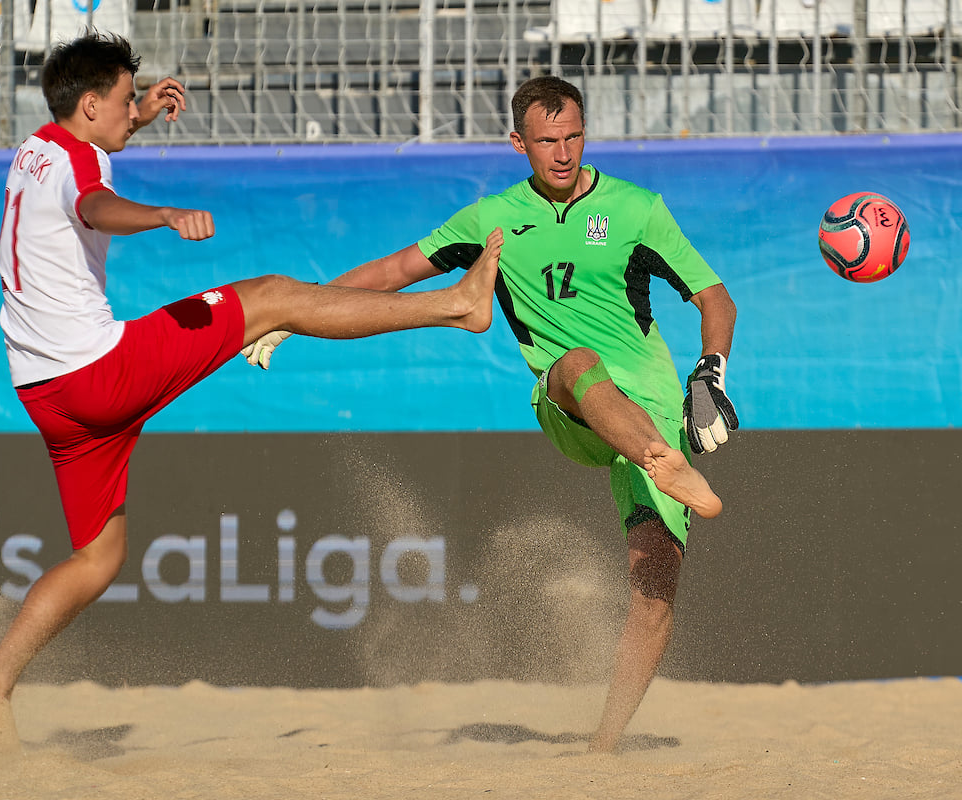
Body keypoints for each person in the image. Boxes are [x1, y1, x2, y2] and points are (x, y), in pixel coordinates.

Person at [0, 31, 504, 710]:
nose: (134, 109)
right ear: (92, 105)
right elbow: (93, 204)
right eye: (126, 100)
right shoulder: (80, 163)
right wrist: (161, 214)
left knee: (98, 559)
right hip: (99, 372)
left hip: (47, 394)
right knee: (272, 295)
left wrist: (138, 116)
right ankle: (454, 305)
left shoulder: (34, 150)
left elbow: (82, 169)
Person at [241, 76, 738, 753]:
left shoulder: (637, 209)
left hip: (650, 406)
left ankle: (603, 749)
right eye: (547, 141)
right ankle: (659, 459)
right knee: (576, 361)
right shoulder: (493, 219)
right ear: (517, 143)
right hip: (571, 402)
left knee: (654, 592)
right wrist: (294, 314)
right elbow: (392, 272)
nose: (563, 153)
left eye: (574, 137)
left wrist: (710, 372)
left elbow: (714, 297)